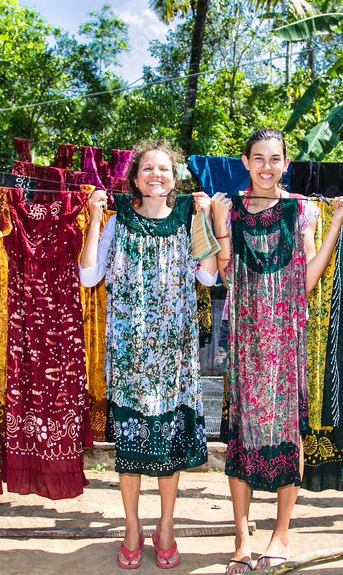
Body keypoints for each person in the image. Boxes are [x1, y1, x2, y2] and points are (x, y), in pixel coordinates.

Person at [211, 129, 343, 573]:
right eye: (259, 158)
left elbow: (307, 280)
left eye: (275, 159)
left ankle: (280, 533)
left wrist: (334, 226)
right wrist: (216, 220)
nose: (267, 167)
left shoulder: (302, 211)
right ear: (245, 161)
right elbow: (227, 274)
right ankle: (240, 535)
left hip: (286, 337)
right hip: (245, 338)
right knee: (242, 434)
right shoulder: (230, 209)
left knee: (286, 433)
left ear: (286, 163)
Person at [79, 141, 218, 570]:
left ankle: (167, 525)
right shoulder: (117, 223)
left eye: (164, 169)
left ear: (174, 179)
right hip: (131, 357)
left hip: (173, 358)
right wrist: (95, 218)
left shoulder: (186, 219)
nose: (156, 175)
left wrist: (206, 219)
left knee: (168, 450)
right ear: (134, 177)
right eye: (147, 169)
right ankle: (132, 526)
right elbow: (88, 275)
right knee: (133, 450)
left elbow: (210, 276)